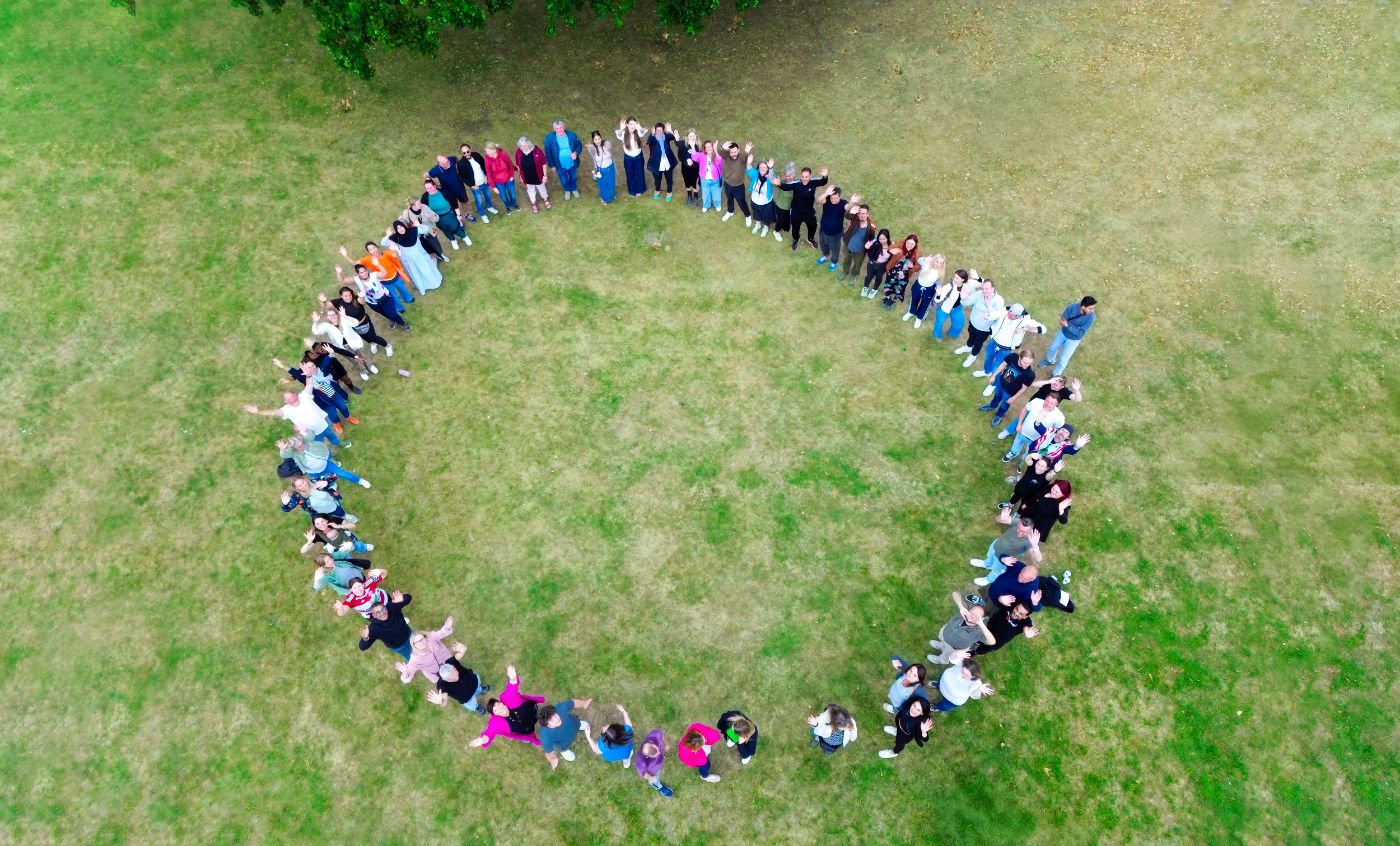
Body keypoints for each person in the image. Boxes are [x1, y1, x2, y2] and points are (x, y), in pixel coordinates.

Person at [469, 665, 546, 749]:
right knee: (527, 738)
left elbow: (511, 689)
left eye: (498, 705)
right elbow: (489, 732)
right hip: (526, 730)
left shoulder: (507, 698)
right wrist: (483, 739)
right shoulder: (496, 723)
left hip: (532, 711)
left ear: (502, 703)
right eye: (495, 710)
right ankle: (529, 738)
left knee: (541, 715)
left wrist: (513, 678)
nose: (499, 708)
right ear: (495, 715)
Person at [243, 390, 339, 447]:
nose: (292, 400)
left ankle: (338, 443)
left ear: (296, 395)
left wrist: (308, 374)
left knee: (332, 436)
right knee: (320, 446)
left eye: (292, 397)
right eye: (288, 399)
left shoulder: (304, 396)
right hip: (310, 433)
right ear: (285, 401)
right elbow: (272, 412)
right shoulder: (286, 410)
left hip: (323, 424)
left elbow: (309, 384)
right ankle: (330, 458)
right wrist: (258, 411)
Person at [975, 303, 1047, 378]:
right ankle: (987, 371)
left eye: (1011, 314)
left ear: (1017, 316)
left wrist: (1024, 328)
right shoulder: (1005, 311)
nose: (1008, 314)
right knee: (988, 357)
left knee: (998, 365)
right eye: (1009, 312)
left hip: (1005, 348)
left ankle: (994, 380)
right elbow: (994, 314)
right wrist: (988, 316)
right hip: (994, 341)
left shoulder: (1026, 319)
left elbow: (1043, 329)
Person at [927, 591, 996, 664]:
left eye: (976, 616)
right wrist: (961, 607)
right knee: (943, 640)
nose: (972, 616)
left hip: (953, 648)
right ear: (969, 610)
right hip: (945, 633)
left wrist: (981, 625)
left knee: (946, 655)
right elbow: (954, 593)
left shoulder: (977, 631)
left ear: (980, 620)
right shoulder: (964, 611)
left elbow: (992, 642)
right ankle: (941, 646)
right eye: (972, 612)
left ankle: (940, 660)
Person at [342, 241, 415, 310]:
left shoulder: (387, 253)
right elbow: (354, 263)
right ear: (369, 252)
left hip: (395, 277)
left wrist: (394, 250)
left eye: (374, 248)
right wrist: (345, 255)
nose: (373, 250)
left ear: (377, 247)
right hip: (385, 282)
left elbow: (396, 257)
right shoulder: (368, 259)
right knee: (393, 295)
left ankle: (408, 298)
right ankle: (399, 307)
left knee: (402, 289)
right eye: (370, 250)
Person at [325, 287, 394, 358]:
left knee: (373, 337)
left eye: (350, 295)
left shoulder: (356, 299)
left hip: (365, 322)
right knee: (365, 337)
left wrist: (361, 297)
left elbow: (362, 302)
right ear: (341, 296)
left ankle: (387, 346)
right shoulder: (339, 302)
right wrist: (324, 301)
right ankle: (372, 343)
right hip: (354, 326)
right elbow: (327, 306)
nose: (348, 297)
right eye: (346, 296)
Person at [335, 266, 409, 330]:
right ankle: (392, 319)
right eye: (361, 272)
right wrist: (339, 272)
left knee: (393, 314)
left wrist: (377, 264)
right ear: (358, 274)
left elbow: (384, 274)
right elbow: (342, 280)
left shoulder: (374, 275)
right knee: (384, 313)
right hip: (373, 303)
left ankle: (403, 324)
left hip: (385, 298)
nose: (364, 273)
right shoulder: (357, 279)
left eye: (365, 271)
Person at [972, 517, 1043, 584]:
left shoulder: (1031, 540)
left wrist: (1035, 546)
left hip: (1004, 558)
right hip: (996, 545)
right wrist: (1001, 518)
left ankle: (989, 579)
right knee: (990, 557)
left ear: (1031, 530)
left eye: (1024, 532)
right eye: (1018, 529)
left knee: (996, 570)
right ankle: (987, 564)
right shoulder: (1018, 522)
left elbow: (1038, 559)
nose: (1020, 533)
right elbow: (997, 519)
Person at [425, 645, 493, 715]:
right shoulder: (441, 685)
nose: (457, 678)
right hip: (467, 698)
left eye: (456, 674)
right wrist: (441, 701)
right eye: (452, 678)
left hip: (474, 681)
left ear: (454, 668)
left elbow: (460, 653)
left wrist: (463, 650)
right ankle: (476, 707)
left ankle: (480, 689)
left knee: (477, 688)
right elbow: (444, 700)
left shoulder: (451, 662)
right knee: (472, 704)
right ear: (444, 679)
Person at [953, 275, 1004, 369]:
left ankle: (973, 356)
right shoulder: (979, 294)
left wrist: (988, 305)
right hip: (973, 323)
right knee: (971, 337)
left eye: (987, 289)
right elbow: (966, 303)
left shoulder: (999, 301)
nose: (984, 291)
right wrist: (963, 298)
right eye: (983, 288)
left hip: (984, 329)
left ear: (993, 288)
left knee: (978, 343)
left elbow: (997, 317)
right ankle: (968, 347)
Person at [980, 348, 1038, 429]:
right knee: (996, 396)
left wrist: (1014, 398)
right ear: (1020, 357)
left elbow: (1023, 388)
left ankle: (999, 415)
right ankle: (992, 406)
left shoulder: (1030, 374)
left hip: (1010, 393)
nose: (1026, 365)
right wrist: (994, 376)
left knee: (1004, 404)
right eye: (1025, 362)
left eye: (1029, 363)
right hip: (1001, 383)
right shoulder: (1013, 356)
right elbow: (1003, 365)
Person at [999, 393, 1066, 463]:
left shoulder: (1059, 417)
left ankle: (1024, 461)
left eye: (1052, 403)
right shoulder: (1036, 401)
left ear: (1057, 404)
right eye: (1047, 401)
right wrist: (1019, 424)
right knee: (1016, 443)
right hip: (1022, 431)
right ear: (1045, 398)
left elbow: (1057, 430)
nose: (1048, 404)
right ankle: (1013, 452)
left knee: (1029, 453)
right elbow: (1025, 409)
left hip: (1036, 440)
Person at [381, 220, 442, 295]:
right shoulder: (396, 238)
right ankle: (423, 287)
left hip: (421, 256)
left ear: (404, 226)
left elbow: (426, 229)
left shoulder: (413, 230)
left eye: (401, 226)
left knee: (426, 269)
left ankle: (434, 283)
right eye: (398, 228)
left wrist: (419, 225)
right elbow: (383, 243)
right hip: (409, 260)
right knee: (416, 273)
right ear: (396, 230)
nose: (400, 229)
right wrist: (387, 235)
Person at [1041, 296, 1097, 376]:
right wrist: (1075, 328)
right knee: (1052, 348)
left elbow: (1080, 333)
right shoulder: (1072, 307)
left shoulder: (1091, 317)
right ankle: (1050, 361)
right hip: (1063, 333)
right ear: (1083, 307)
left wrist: (1067, 325)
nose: (1092, 311)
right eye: (1090, 308)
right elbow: (1062, 322)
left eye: (1093, 308)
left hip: (1074, 340)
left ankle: (1055, 375)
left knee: (1063, 359)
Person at [779, 165, 828, 251]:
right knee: (795, 229)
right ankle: (796, 240)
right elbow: (786, 187)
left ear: (810, 176)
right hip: (796, 213)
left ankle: (810, 239)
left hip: (809, 212)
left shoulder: (813, 182)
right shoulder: (796, 183)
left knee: (813, 226)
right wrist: (779, 184)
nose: (804, 179)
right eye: (802, 177)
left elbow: (823, 182)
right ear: (800, 175)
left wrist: (825, 176)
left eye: (806, 177)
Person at [395, 617, 457, 684]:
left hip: (449, 663)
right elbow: (407, 679)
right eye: (417, 642)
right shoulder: (415, 659)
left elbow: (441, 633)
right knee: (451, 685)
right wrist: (405, 673)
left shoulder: (431, 638)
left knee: (458, 676)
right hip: (437, 675)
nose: (421, 643)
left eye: (421, 639)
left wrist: (447, 627)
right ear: (414, 645)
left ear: (425, 637)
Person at [537, 697, 592, 769]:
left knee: (582, 725)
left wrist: (583, 704)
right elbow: (549, 753)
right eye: (552, 721)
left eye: (555, 715)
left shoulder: (560, 708)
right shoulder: (545, 736)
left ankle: (580, 725)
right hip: (564, 746)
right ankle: (565, 752)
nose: (556, 720)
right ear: (547, 725)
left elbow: (573, 703)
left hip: (575, 724)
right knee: (569, 755)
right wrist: (553, 759)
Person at [357, 592, 413, 660]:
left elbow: (409, 597)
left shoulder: (392, 607)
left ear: (386, 608)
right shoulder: (373, 628)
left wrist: (403, 598)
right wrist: (365, 638)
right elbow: (362, 647)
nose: (382, 613)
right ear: (374, 616)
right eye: (378, 612)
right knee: (413, 658)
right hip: (401, 646)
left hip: (409, 634)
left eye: (383, 609)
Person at [816, 186, 859, 271]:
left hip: (835, 233)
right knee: (823, 245)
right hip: (823, 230)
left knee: (835, 249)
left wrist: (852, 202)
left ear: (839, 196)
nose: (833, 200)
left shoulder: (843, 203)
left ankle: (834, 262)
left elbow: (848, 207)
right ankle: (825, 256)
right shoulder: (827, 199)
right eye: (831, 198)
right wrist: (826, 193)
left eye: (835, 198)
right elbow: (819, 200)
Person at [970, 603, 1038, 655]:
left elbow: (1027, 628)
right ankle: (979, 641)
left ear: (1025, 616)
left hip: (995, 642)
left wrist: (1027, 631)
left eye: (1021, 613)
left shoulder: (1026, 622)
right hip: (988, 628)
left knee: (982, 649)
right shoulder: (1011, 604)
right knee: (981, 637)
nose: (1016, 613)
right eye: (1017, 609)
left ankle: (974, 652)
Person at [421, 179, 470, 248]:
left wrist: (458, 215)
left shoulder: (444, 192)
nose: (429, 190)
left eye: (430, 187)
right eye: (427, 188)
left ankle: (464, 237)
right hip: (437, 218)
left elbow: (454, 204)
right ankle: (453, 240)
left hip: (449, 214)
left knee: (455, 228)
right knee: (445, 230)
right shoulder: (425, 197)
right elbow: (424, 208)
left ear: (434, 186)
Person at [455, 143, 497, 221]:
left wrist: (486, 176)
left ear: (470, 150)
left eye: (468, 151)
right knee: (479, 201)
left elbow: (484, 165)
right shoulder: (461, 164)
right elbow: (463, 177)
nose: (466, 154)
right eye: (464, 153)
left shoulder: (476, 155)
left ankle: (489, 207)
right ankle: (482, 214)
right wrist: (471, 186)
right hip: (475, 186)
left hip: (484, 181)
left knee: (488, 196)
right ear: (462, 153)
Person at [426, 154, 474, 221]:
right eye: (445, 163)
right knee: (454, 207)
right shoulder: (436, 170)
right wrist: (435, 185)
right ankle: (458, 220)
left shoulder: (451, 160)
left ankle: (466, 215)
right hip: (449, 192)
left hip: (460, 188)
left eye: (447, 161)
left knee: (464, 201)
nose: (448, 163)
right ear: (440, 164)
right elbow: (426, 175)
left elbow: (455, 158)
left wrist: (457, 168)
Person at [279, 475, 349, 521]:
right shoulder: (297, 496)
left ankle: (345, 516)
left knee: (340, 512)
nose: (303, 486)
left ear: (305, 479)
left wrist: (326, 482)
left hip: (332, 503)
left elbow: (334, 475)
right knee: (333, 520)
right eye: (300, 486)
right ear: (297, 488)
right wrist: (285, 504)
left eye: (303, 482)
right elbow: (286, 509)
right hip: (321, 512)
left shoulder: (315, 481)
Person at [544, 120, 583, 200]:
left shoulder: (572, 135)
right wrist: (551, 165)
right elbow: (548, 152)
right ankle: (567, 190)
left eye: (561, 127)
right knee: (564, 180)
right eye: (557, 128)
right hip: (559, 165)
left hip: (572, 163)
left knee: (573, 177)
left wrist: (575, 153)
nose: (559, 130)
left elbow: (579, 145)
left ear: (564, 127)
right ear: (554, 129)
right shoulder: (549, 138)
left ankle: (574, 189)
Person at [839, 203, 877, 283]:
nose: (861, 215)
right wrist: (851, 212)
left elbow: (871, 239)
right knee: (846, 260)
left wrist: (868, 249)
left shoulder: (871, 226)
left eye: (863, 213)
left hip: (860, 251)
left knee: (857, 264)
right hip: (848, 246)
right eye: (859, 213)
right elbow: (847, 215)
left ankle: (854, 275)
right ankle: (845, 271)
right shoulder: (855, 218)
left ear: (868, 214)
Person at [745, 155, 780, 239]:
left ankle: (765, 227)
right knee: (757, 214)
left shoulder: (770, 176)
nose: (762, 169)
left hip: (766, 203)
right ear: (758, 168)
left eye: (764, 167)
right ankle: (758, 224)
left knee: (766, 216)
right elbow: (749, 169)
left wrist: (771, 167)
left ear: (767, 168)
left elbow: (772, 178)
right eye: (761, 167)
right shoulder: (756, 174)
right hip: (755, 201)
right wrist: (749, 163)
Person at [300, 515, 371, 555]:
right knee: (343, 556)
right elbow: (302, 551)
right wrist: (309, 542)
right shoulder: (317, 535)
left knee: (356, 545)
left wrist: (339, 526)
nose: (321, 525)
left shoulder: (334, 520)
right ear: (315, 526)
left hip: (346, 537)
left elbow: (353, 525)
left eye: (322, 521)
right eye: (317, 524)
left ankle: (362, 548)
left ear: (326, 520)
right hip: (336, 547)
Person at [881, 234, 919, 309]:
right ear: (906, 241)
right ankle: (887, 297)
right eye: (908, 242)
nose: (909, 245)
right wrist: (891, 250)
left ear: (915, 245)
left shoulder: (917, 253)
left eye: (912, 244)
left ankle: (893, 300)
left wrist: (912, 267)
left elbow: (918, 267)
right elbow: (891, 246)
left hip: (904, 276)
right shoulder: (901, 244)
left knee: (899, 287)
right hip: (892, 271)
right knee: (889, 284)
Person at [633, 729, 674, 797]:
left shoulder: (654, 735)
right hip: (653, 772)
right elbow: (643, 773)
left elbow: (661, 735)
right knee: (654, 781)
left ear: (651, 742)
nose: (659, 753)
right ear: (647, 757)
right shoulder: (641, 762)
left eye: (658, 749)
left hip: (657, 765)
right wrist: (651, 778)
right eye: (655, 755)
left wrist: (666, 743)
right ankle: (659, 787)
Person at [904, 252, 943, 324]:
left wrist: (938, 287)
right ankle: (911, 312)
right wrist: (924, 259)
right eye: (937, 261)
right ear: (933, 260)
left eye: (940, 263)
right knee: (914, 300)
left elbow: (939, 281)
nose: (938, 264)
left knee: (925, 304)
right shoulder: (927, 264)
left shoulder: (940, 272)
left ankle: (919, 318)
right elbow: (919, 260)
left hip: (929, 289)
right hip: (918, 285)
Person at [719, 141, 752, 224]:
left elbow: (745, 157)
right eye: (731, 152)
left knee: (741, 202)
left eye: (735, 152)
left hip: (738, 187)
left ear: (739, 150)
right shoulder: (727, 156)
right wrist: (722, 147)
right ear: (728, 152)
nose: (733, 154)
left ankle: (747, 215)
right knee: (729, 199)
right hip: (728, 184)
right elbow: (720, 152)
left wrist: (747, 151)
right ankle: (730, 211)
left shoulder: (741, 158)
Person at [515, 137, 551, 213]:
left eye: (525, 146)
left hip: (538, 175)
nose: (523, 148)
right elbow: (518, 165)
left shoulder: (536, 151)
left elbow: (543, 163)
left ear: (528, 144)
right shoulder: (518, 152)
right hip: (527, 176)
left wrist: (544, 176)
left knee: (541, 188)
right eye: (521, 146)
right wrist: (520, 176)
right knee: (530, 190)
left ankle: (545, 199)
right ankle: (533, 203)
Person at [614, 117, 647, 198]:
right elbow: (618, 134)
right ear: (627, 125)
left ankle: (640, 189)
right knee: (630, 174)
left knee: (640, 173)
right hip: (628, 158)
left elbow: (644, 131)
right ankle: (632, 190)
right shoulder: (623, 134)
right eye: (631, 124)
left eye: (634, 124)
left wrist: (640, 128)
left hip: (639, 158)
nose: (633, 126)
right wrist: (621, 129)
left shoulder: (638, 132)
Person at [483, 142, 519, 215]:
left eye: (488, 151)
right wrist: (494, 187)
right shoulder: (487, 160)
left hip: (509, 180)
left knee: (512, 194)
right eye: (486, 151)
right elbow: (489, 174)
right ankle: (508, 206)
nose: (487, 153)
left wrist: (511, 176)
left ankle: (514, 204)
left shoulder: (502, 154)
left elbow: (510, 165)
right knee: (503, 197)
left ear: (494, 150)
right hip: (498, 182)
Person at [931, 268, 968, 340]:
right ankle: (937, 335)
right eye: (954, 277)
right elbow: (937, 300)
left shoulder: (965, 286)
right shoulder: (948, 287)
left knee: (960, 322)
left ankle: (953, 334)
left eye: (957, 278)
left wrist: (964, 298)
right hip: (944, 308)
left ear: (963, 280)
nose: (954, 279)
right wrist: (938, 295)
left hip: (957, 308)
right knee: (939, 322)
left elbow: (979, 283)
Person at [645, 122, 678, 201]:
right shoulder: (653, 138)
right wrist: (652, 134)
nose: (659, 132)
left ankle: (669, 191)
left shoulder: (666, 137)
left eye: (661, 130)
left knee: (669, 178)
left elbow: (674, 137)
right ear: (655, 131)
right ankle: (657, 190)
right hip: (656, 163)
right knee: (657, 179)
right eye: (657, 130)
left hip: (667, 162)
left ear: (663, 131)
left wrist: (671, 131)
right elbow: (649, 141)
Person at [690, 140, 724, 213]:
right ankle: (706, 205)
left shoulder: (717, 155)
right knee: (705, 194)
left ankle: (717, 204)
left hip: (716, 179)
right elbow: (694, 156)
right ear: (704, 149)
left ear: (713, 147)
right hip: (705, 180)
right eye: (706, 147)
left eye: (710, 146)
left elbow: (720, 161)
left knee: (716, 193)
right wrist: (692, 146)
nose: (708, 148)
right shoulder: (702, 155)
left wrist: (716, 149)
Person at [585, 131, 616, 205]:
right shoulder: (592, 148)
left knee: (611, 182)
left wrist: (606, 148)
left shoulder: (606, 143)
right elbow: (592, 152)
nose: (598, 141)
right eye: (595, 139)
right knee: (603, 185)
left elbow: (609, 145)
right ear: (593, 140)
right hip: (601, 170)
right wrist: (590, 147)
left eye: (599, 138)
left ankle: (611, 196)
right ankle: (604, 199)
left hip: (610, 168)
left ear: (601, 138)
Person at [861, 229, 892, 298]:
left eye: (884, 239)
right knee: (869, 276)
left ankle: (874, 289)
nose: (882, 241)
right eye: (880, 239)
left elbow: (893, 257)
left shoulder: (891, 246)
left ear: (888, 238)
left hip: (883, 265)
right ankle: (865, 287)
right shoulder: (875, 243)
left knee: (879, 277)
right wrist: (867, 248)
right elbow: (869, 254)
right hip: (872, 263)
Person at [679, 129, 703, 207]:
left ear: (696, 136)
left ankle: (696, 197)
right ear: (687, 137)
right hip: (686, 169)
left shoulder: (700, 146)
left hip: (696, 169)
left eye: (693, 136)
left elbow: (701, 158)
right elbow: (680, 156)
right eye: (690, 136)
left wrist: (694, 162)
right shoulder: (684, 145)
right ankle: (689, 196)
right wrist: (686, 161)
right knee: (687, 182)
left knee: (695, 183)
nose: (692, 138)